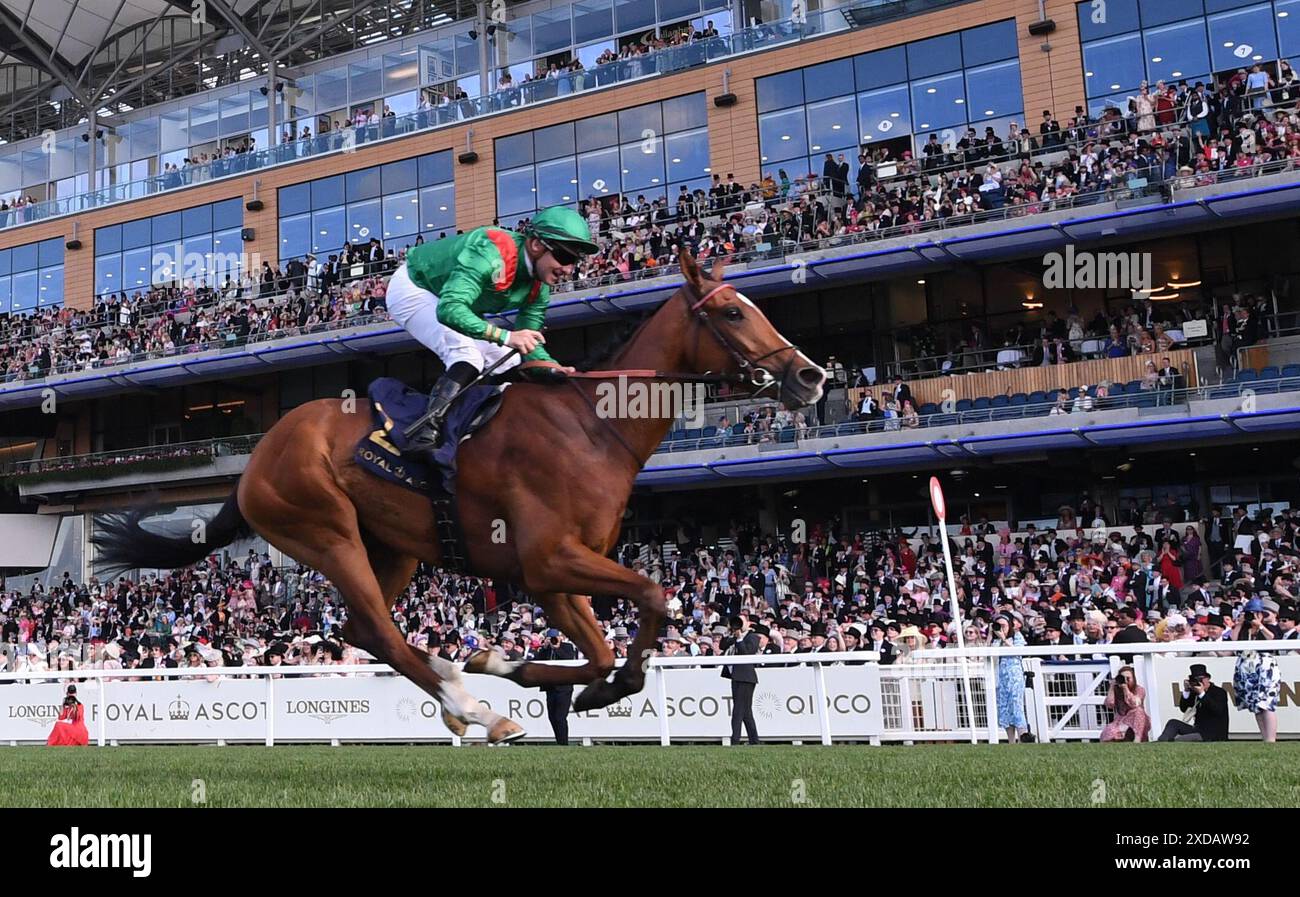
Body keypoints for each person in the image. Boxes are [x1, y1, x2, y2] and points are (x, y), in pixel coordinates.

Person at [384, 205, 600, 451]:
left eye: (575, 261)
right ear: (537, 245)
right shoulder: (492, 251)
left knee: (509, 362)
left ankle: (481, 429)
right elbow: (450, 309)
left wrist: (551, 370)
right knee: (467, 355)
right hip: (415, 287)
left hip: (454, 299)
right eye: (565, 257)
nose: (569, 270)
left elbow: (528, 344)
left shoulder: (539, 288)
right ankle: (426, 430)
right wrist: (505, 336)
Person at [1232, 603, 1281, 742]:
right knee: (1255, 705)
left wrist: (1259, 625)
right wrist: (1239, 624)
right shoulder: (1244, 629)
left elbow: (1273, 639)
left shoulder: (1269, 627)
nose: (1251, 616)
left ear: (1261, 615)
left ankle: (1271, 739)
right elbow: (1233, 642)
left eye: (1255, 613)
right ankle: (1265, 737)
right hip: (1246, 667)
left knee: (1267, 702)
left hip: (1265, 667)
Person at [1157, 663, 1229, 741]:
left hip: (1212, 734)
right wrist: (1186, 691)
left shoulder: (1219, 692)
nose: (1199, 682)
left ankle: (1168, 742)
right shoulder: (1194, 693)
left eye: (1201, 679)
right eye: (1196, 680)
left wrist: (1202, 694)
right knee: (1173, 723)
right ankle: (1162, 741)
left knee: (1179, 740)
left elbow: (1217, 710)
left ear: (1207, 678)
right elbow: (1184, 708)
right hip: (1197, 729)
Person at [721, 615, 760, 745]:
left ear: (747, 623)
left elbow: (747, 654)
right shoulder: (733, 637)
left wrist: (739, 638)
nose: (738, 624)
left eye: (741, 621)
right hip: (736, 677)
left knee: (738, 710)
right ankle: (754, 740)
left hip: (746, 677)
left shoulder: (753, 637)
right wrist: (729, 632)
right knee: (746, 712)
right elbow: (722, 646)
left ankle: (735, 740)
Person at [533, 628, 577, 745]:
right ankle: (559, 741)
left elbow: (568, 659)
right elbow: (536, 661)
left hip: (564, 687)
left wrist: (557, 648)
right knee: (552, 717)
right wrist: (545, 647)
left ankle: (564, 743)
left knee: (560, 717)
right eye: (550, 638)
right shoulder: (545, 650)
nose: (553, 640)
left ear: (560, 638)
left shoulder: (567, 647)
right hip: (550, 687)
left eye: (555, 638)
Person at [991, 615, 1028, 742]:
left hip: (1015, 676)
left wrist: (1004, 639)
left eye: (1004, 626)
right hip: (1001, 677)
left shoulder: (1017, 636)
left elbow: (1017, 652)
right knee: (1004, 707)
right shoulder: (995, 641)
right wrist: (992, 637)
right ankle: (1011, 740)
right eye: (998, 626)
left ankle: (1023, 736)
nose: (1001, 628)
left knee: (1016, 704)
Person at [1100, 665, 1150, 741]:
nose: (1126, 680)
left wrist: (1126, 689)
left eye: (1128, 678)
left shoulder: (1139, 689)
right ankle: (1121, 737)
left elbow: (1135, 704)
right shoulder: (1116, 690)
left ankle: (1137, 740)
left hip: (1138, 721)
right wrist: (1112, 687)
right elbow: (1109, 704)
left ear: (1133, 678)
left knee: (1138, 711)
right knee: (1107, 734)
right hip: (1122, 720)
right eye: (1123, 678)